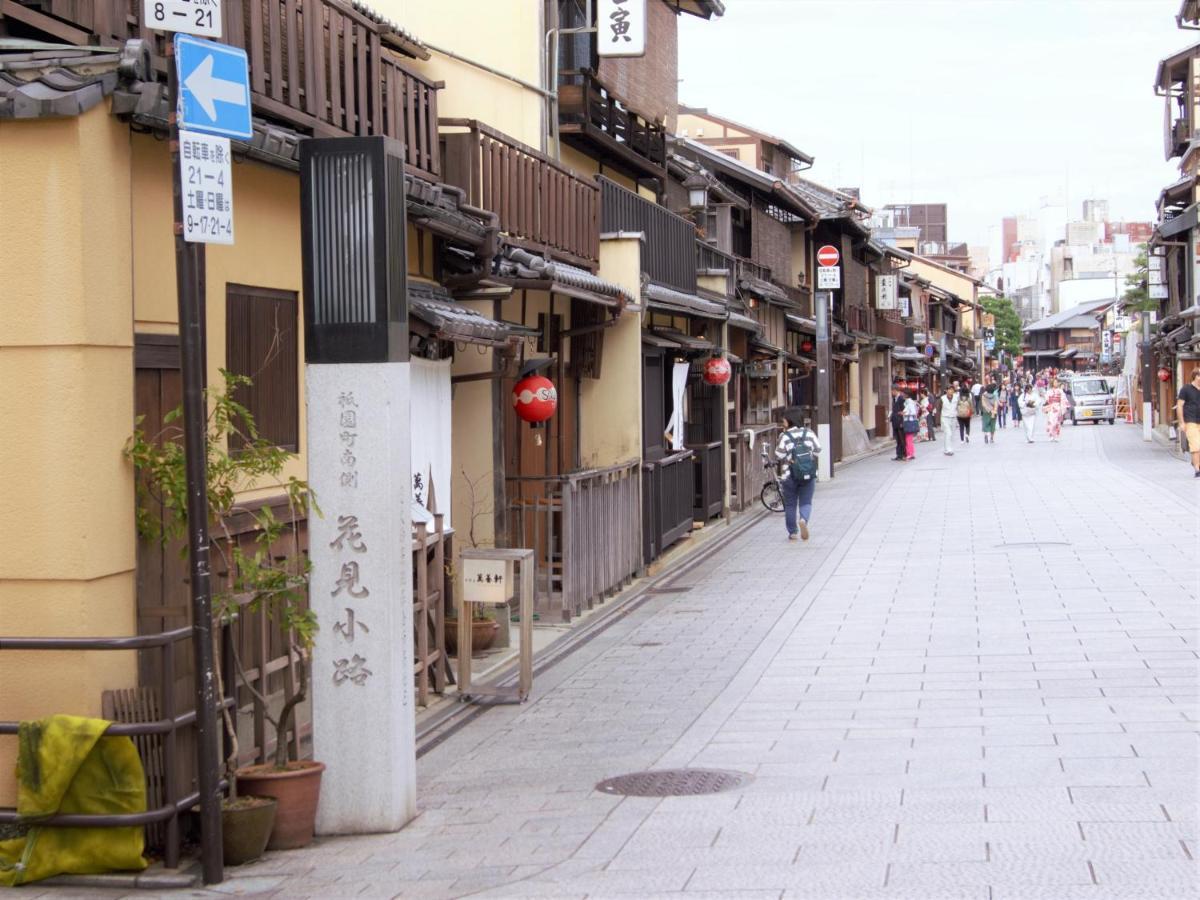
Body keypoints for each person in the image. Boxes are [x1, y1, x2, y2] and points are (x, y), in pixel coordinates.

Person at [775, 408, 821, 541]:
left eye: (784, 419)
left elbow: (779, 455)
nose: (783, 421)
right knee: (806, 502)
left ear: (789, 420)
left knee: (790, 504)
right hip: (808, 473)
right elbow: (818, 450)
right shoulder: (809, 433)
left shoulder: (784, 436)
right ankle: (803, 520)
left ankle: (793, 532)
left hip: (789, 475)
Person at [1176, 367, 1200, 478]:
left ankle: (1195, 463)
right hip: (1191, 421)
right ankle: (1197, 469)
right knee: (1196, 446)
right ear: (1195, 376)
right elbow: (1179, 405)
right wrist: (1181, 422)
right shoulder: (1186, 389)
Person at [1044, 378, 1066, 442]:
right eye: (1054, 382)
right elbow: (1046, 399)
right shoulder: (1049, 391)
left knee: (1057, 423)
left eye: (1057, 382)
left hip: (1058, 407)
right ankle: (1051, 435)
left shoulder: (1060, 391)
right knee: (1051, 422)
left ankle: (1056, 436)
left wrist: (1062, 408)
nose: (1056, 383)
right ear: (1052, 383)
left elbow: (1063, 399)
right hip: (1051, 407)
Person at [938, 385, 958, 456]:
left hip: (953, 417)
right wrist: (938, 421)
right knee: (948, 433)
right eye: (949, 389)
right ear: (946, 390)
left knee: (951, 434)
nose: (951, 391)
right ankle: (948, 450)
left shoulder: (956, 397)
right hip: (945, 418)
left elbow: (958, 406)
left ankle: (947, 448)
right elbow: (939, 409)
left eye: (952, 390)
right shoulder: (942, 398)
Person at [890, 385, 907, 462]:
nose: (891, 392)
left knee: (902, 439)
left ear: (895, 390)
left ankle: (904, 454)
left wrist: (901, 422)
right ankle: (898, 455)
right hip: (895, 422)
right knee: (898, 439)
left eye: (892, 391)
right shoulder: (895, 399)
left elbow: (903, 411)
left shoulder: (901, 399)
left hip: (900, 422)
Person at [903, 391, 920, 459]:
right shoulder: (909, 402)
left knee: (908, 439)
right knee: (908, 438)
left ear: (906, 395)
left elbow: (913, 412)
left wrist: (905, 413)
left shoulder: (909, 402)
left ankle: (910, 453)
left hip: (909, 421)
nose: (902, 395)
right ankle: (911, 453)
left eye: (903, 393)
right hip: (908, 421)